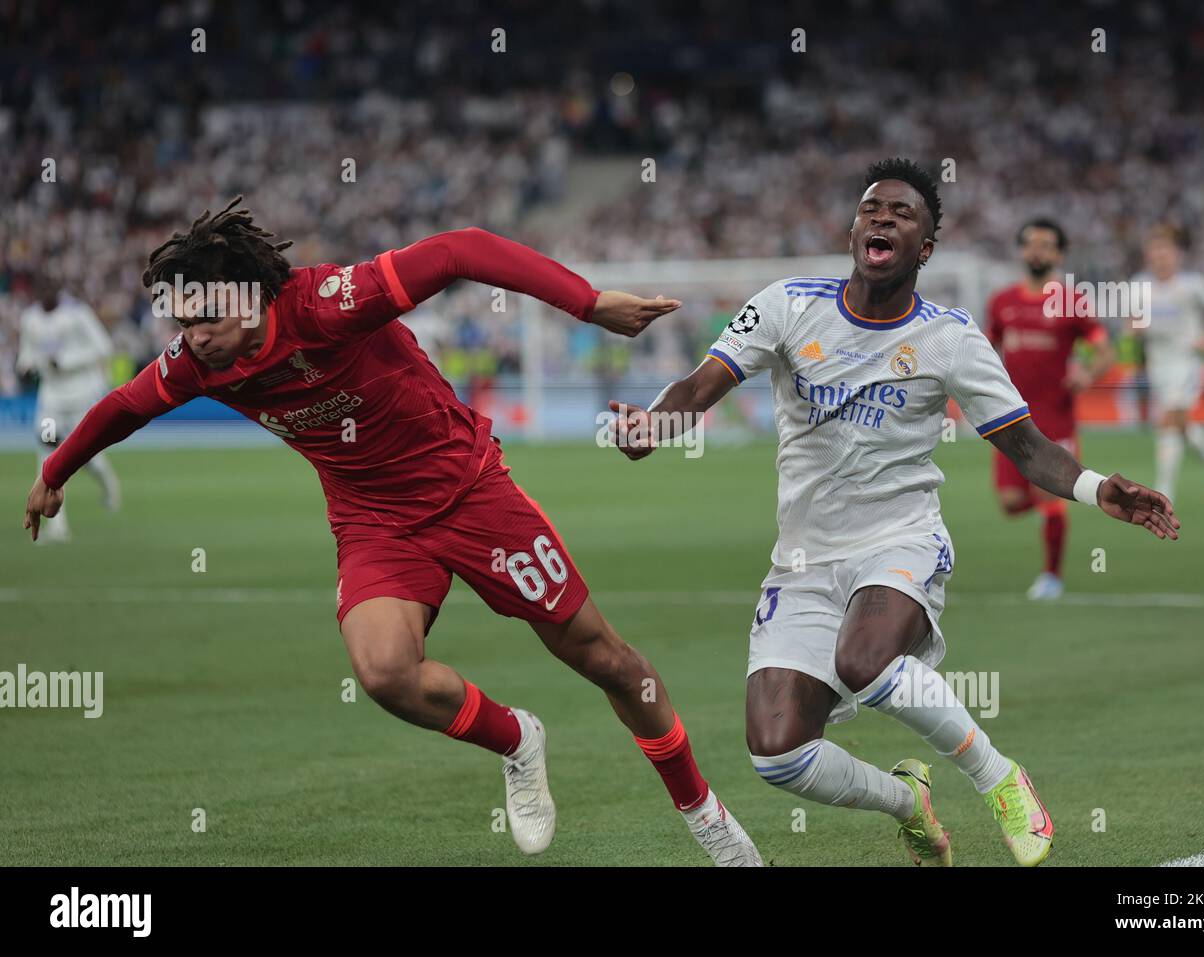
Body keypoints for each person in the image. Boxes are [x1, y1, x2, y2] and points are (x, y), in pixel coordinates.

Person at [24, 198, 762, 866]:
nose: (191, 339)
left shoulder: (327, 304)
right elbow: (125, 404)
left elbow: (461, 248)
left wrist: (588, 301)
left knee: (602, 657)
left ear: (249, 301)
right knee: (384, 673)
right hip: (373, 522)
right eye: (180, 323)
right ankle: (517, 738)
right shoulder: (198, 365)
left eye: (203, 320)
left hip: (470, 492)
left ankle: (705, 814)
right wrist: (56, 471)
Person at [609, 159, 1180, 867]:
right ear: (856, 230)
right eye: (871, 208)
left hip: (899, 538)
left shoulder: (950, 338)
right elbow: (699, 387)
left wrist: (1100, 489)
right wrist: (652, 428)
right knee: (777, 754)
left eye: (902, 213)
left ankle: (998, 776)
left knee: (866, 657)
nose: (881, 218)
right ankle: (908, 801)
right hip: (803, 556)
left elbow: (1028, 448)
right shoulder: (788, 304)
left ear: (925, 248)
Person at [986, 219, 1114, 600]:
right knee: (1010, 504)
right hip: (1010, 418)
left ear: (1059, 254)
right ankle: (1055, 504)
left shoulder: (1071, 301)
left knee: (1050, 495)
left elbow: (1105, 350)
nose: (1037, 250)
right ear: (1022, 250)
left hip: (1056, 416)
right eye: (1030, 243)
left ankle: (1051, 576)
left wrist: (1087, 373)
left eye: (1046, 245)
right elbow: (985, 348)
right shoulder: (1002, 302)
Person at [16, 275, 120, 541]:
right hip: (50, 400)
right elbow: (27, 354)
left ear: (59, 291)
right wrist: (25, 367)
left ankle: (108, 482)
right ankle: (57, 526)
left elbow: (103, 347)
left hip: (79, 397)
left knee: (82, 456)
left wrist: (66, 362)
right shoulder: (30, 319)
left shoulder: (77, 315)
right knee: (48, 454)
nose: (46, 294)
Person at [1134, 226, 1204, 502]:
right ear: (1148, 255)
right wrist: (1135, 328)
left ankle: (1164, 490)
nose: (1160, 257)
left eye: (1165, 250)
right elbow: (1131, 320)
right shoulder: (1139, 284)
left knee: (1169, 418)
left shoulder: (1193, 284)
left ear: (1176, 255)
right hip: (1158, 363)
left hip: (1187, 360)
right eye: (1155, 251)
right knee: (1179, 422)